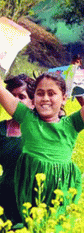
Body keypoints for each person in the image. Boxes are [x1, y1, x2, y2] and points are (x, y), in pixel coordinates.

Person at [0, 42, 84, 221]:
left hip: (60, 194)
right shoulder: (27, 118)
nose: (45, 98)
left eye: (52, 93)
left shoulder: (71, 124)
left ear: (64, 98)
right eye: (40, 93)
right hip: (29, 193)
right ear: (33, 98)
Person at [0, 75, 35, 224]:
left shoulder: (40, 129)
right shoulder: (1, 129)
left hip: (33, 200)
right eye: (11, 96)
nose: (15, 101)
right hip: (5, 198)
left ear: (33, 102)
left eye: (21, 96)